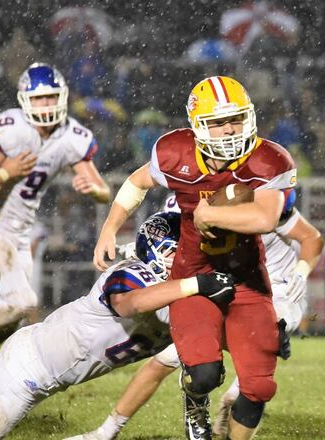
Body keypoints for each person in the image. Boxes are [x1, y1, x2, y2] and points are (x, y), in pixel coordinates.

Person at [93, 75, 296, 440]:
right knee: (203, 373)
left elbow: (265, 218)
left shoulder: (268, 158)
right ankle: (195, 401)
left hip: (247, 280)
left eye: (236, 118)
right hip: (193, 275)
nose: (231, 129)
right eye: (219, 122)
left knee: (258, 386)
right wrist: (110, 227)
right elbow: (137, 183)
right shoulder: (176, 152)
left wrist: (210, 215)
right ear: (199, 126)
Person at [0, 212, 236, 439]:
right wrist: (196, 284)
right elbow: (130, 303)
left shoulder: (178, 294)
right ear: (154, 251)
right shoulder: (134, 273)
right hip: (33, 368)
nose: (180, 259)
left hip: (37, 357)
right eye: (173, 252)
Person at [67, 193, 324, 440]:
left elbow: (311, 237)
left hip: (273, 290)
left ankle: (232, 397)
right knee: (168, 359)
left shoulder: (257, 199)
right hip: (219, 283)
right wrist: (137, 248)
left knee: (262, 356)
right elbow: (168, 239)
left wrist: (301, 272)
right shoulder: (192, 201)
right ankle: (112, 429)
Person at [0, 62, 110, 330]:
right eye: (38, 98)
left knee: (21, 309)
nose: (45, 104)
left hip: (21, 230)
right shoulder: (11, 127)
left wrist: (93, 189)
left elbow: (104, 193)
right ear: (25, 100)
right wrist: (5, 172)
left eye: (50, 97)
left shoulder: (72, 136)